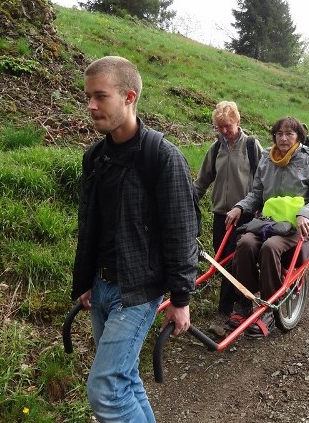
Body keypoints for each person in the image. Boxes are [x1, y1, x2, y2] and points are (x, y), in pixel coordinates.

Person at [71, 56, 199, 422]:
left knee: (105, 390)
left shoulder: (162, 157)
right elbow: (90, 225)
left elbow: (180, 232)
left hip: (138, 290)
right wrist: (85, 281)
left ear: (129, 97)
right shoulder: (95, 157)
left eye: (100, 96)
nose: (91, 106)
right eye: (88, 97)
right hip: (101, 286)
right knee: (124, 379)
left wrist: (180, 298)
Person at [224, 116, 309, 336]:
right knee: (244, 243)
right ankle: (244, 301)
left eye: (289, 134)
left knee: (270, 247)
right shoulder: (266, 159)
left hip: (295, 225)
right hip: (268, 222)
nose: (283, 138)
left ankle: (269, 308)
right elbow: (257, 194)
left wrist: (305, 214)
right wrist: (240, 207)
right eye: (279, 134)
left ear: (298, 136)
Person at [194, 101, 262, 315]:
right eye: (220, 127)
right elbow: (202, 181)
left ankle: (233, 306)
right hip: (220, 214)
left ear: (238, 121)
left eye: (228, 126)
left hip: (246, 213)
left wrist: (261, 205)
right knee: (221, 258)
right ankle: (234, 302)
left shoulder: (251, 145)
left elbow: (263, 179)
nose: (224, 131)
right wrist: (188, 201)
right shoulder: (215, 149)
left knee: (236, 259)